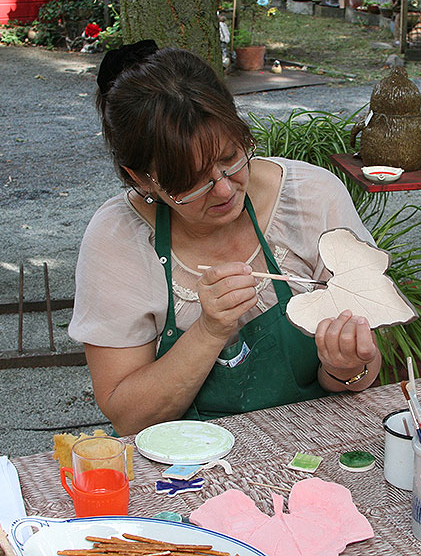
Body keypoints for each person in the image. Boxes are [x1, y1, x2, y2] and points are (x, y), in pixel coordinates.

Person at [69, 40, 382, 436]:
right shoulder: (118, 240)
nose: (223, 191)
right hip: (182, 470)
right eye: (190, 182)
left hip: (313, 448)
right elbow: (129, 417)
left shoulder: (312, 199)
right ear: (141, 178)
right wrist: (210, 330)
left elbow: (365, 373)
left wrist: (347, 367)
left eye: (230, 158)